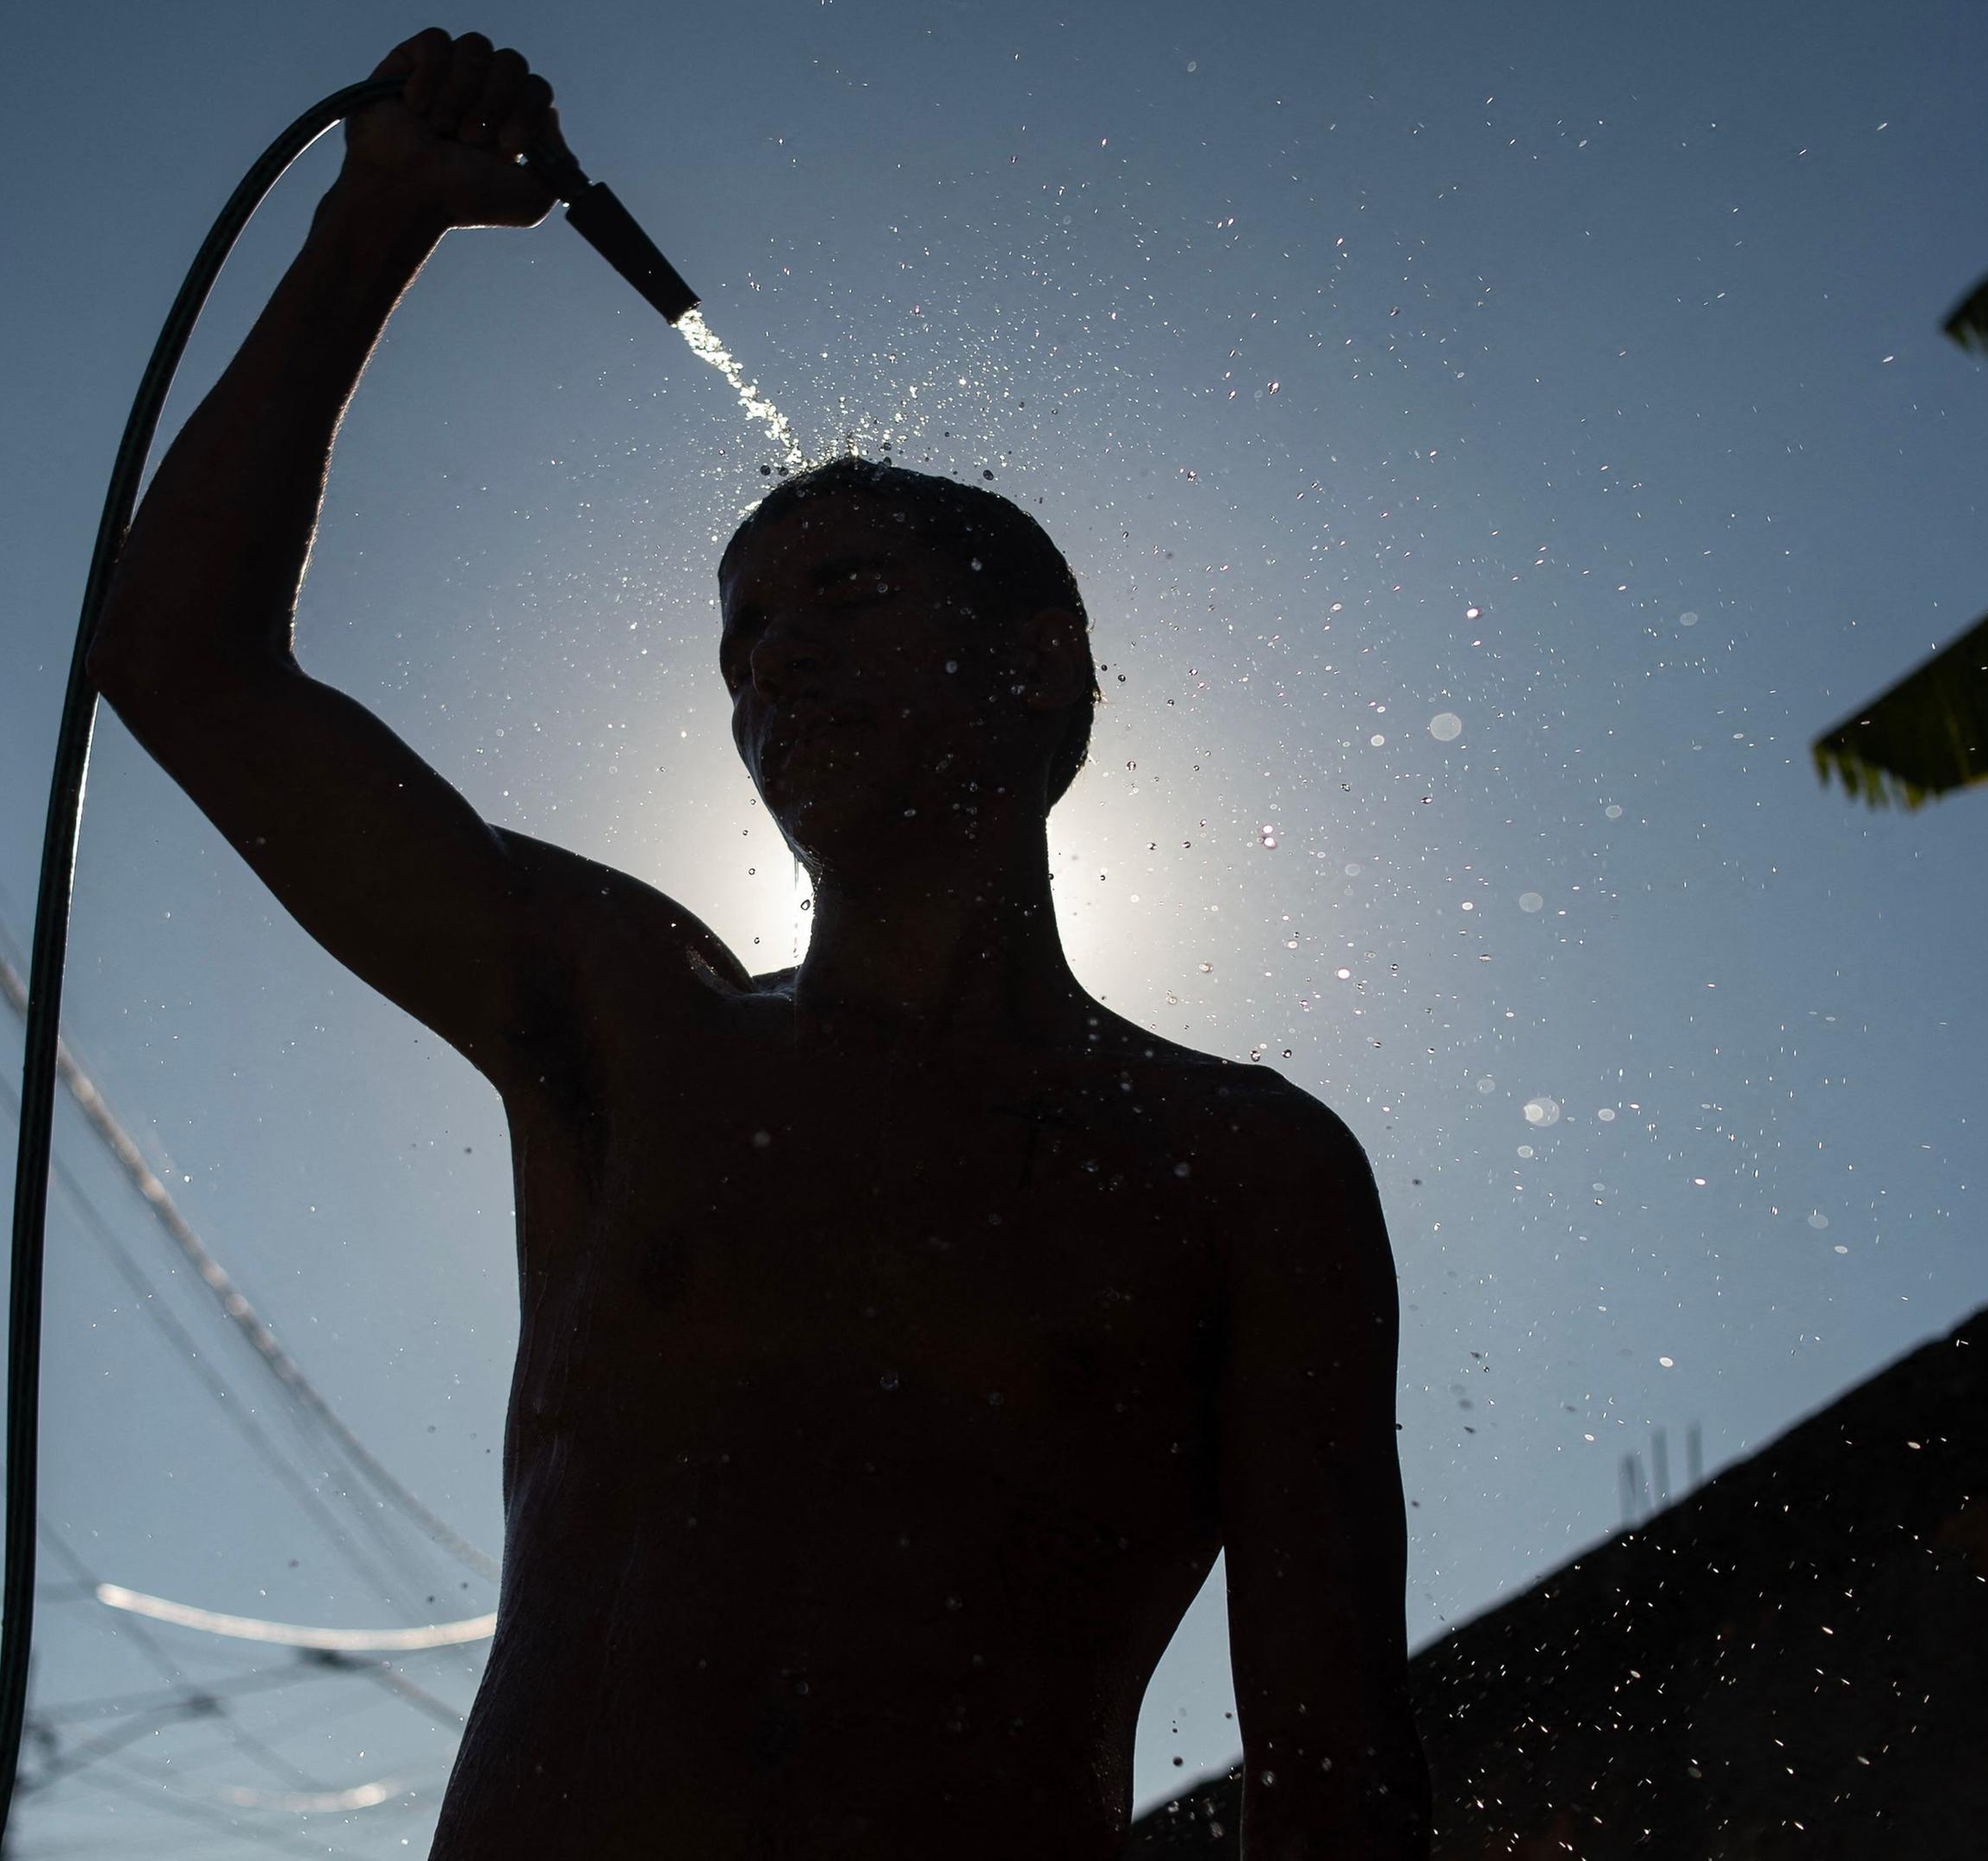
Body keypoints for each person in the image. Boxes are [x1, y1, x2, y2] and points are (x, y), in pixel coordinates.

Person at [92, 28, 1432, 1859]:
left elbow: (1340, 1777)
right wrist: (377, 219)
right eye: (740, 643)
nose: (774, 659)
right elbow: (184, 666)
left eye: (847, 596)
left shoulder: (1243, 1170)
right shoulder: (639, 1017)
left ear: (1042, 666)